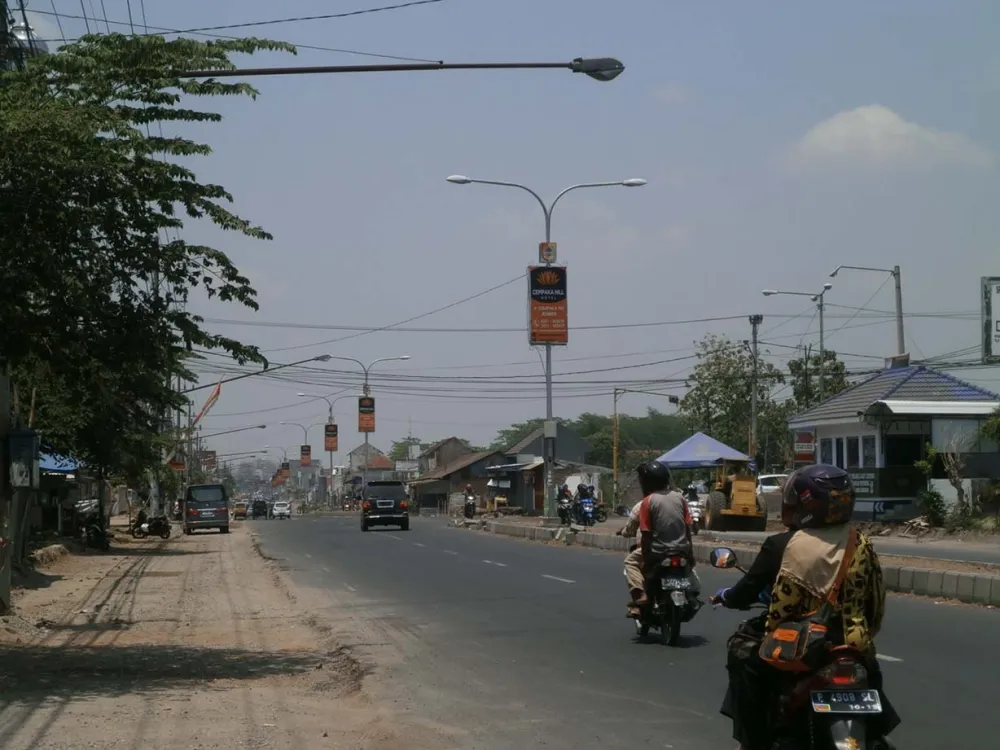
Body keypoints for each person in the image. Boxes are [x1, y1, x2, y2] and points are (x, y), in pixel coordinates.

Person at [712, 463, 900, 750]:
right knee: (870, 674)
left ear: (804, 503)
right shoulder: (860, 540)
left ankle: (754, 743)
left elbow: (778, 613)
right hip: (852, 645)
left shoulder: (785, 544)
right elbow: (875, 601)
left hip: (803, 650)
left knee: (747, 663)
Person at [623, 460, 700, 617]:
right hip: (681, 550)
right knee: (690, 570)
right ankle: (692, 595)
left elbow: (646, 533)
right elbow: (687, 530)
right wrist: (690, 553)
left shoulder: (647, 502)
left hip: (659, 552)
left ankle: (641, 595)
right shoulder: (680, 498)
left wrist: (646, 556)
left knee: (630, 562)